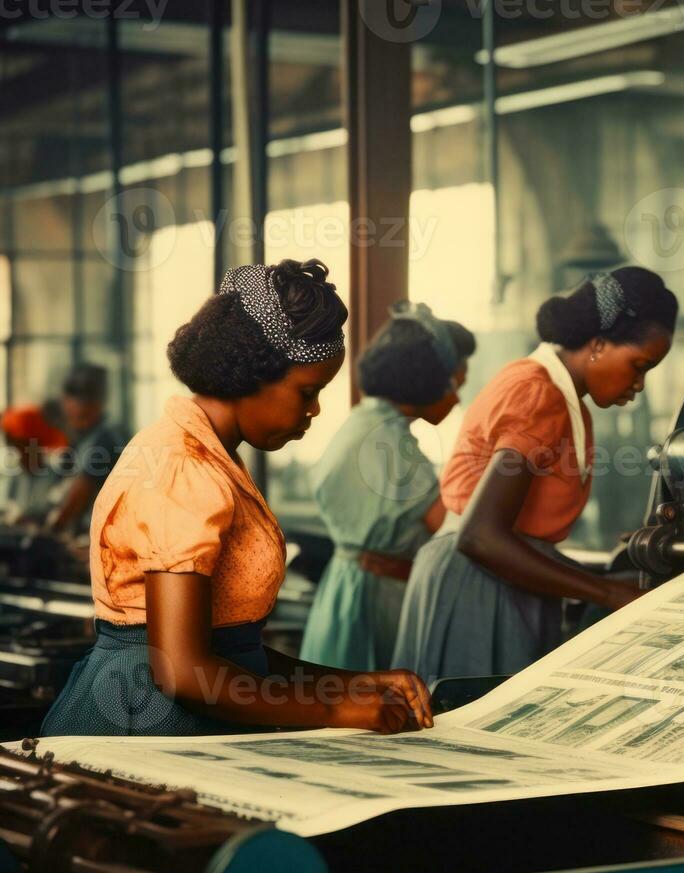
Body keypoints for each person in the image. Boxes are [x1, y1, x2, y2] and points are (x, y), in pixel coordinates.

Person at [40, 259, 433, 737]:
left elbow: (233, 652)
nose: (314, 410)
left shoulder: (210, 455)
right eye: (307, 391)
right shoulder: (184, 467)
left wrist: (355, 685)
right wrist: (333, 710)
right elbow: (183, 670)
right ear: (247, 375)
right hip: (149, 724)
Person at [392, 266, 677, 682]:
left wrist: (609, 574)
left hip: (499, 580)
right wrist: (608, 591)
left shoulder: (563, 398)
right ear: (598, 345)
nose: (639, 384)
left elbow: (524, 534)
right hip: (477, 585)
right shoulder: (538, 393)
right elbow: (481, 536)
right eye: (639, 365)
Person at [299, 302, 473, 672]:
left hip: (349, 588)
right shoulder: (387, 440)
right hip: (377, 597)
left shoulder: (367, 422)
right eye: (456, 384)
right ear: (429, 378)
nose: (457, 398)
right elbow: (450, 527)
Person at [47, 364, 125, 535]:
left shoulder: (104, 439)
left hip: (102, 536)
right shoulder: (85, 437)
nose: (68, 409)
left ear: (95, 405)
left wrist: (50, 531)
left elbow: (78, 497)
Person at [0, 404, 68, 525]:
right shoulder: (12, 475)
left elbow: (56, 513)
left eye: (20, 445)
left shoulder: (55, 476)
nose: (16, 451)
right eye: (13, 445)